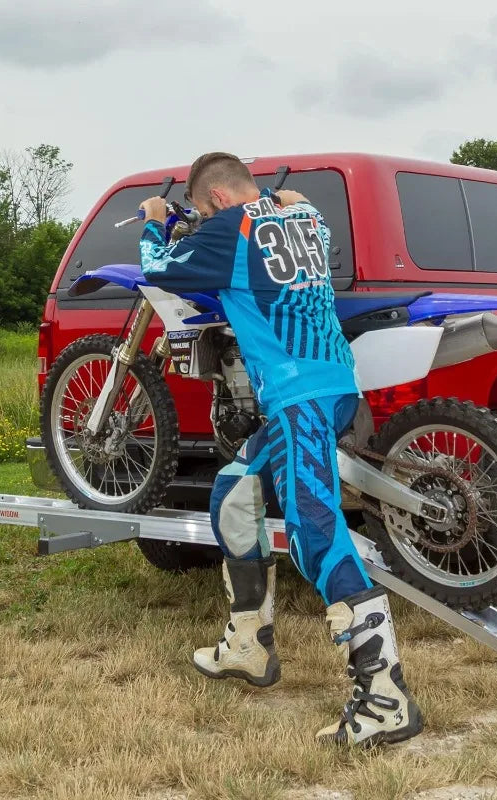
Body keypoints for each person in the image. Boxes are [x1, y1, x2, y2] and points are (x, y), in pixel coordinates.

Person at [138, 152, 423, 747]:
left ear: (216, 199)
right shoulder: (308, 221)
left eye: (201, 209)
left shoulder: (230, 228)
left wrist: (155, 219)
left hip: (300, 397)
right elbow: (306, 213)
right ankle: (249, 646)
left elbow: (158, 269)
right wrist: (293, 201)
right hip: (333, 387)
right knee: (233, 492)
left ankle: (385, 699)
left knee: (313, 531)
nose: (202, 217)